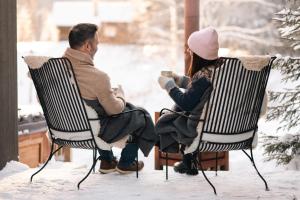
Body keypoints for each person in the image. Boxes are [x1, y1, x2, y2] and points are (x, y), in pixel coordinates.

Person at [64, 23, 157, 174]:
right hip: (92, 130)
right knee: (140, 114)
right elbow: (115, 110)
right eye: (97, 43)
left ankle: (107, 161)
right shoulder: (97, 77)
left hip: (65, 126)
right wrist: (119, 95)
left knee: (107, 111)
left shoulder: (55, 70)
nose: (98, 47)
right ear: (88, 46)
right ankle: (126, 163)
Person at [155, 27, 220, 175]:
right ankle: (188, 161)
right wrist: (180, 81)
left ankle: (187, 160)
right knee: (182, 112)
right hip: (219, 123)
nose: (188, 52)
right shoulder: (217, 72)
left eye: (191, 50)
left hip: (201, 126)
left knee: (173, 115)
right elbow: (199, 91)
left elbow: (187, 102)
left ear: (199, 54)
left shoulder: (203, 78)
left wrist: (169, 85)